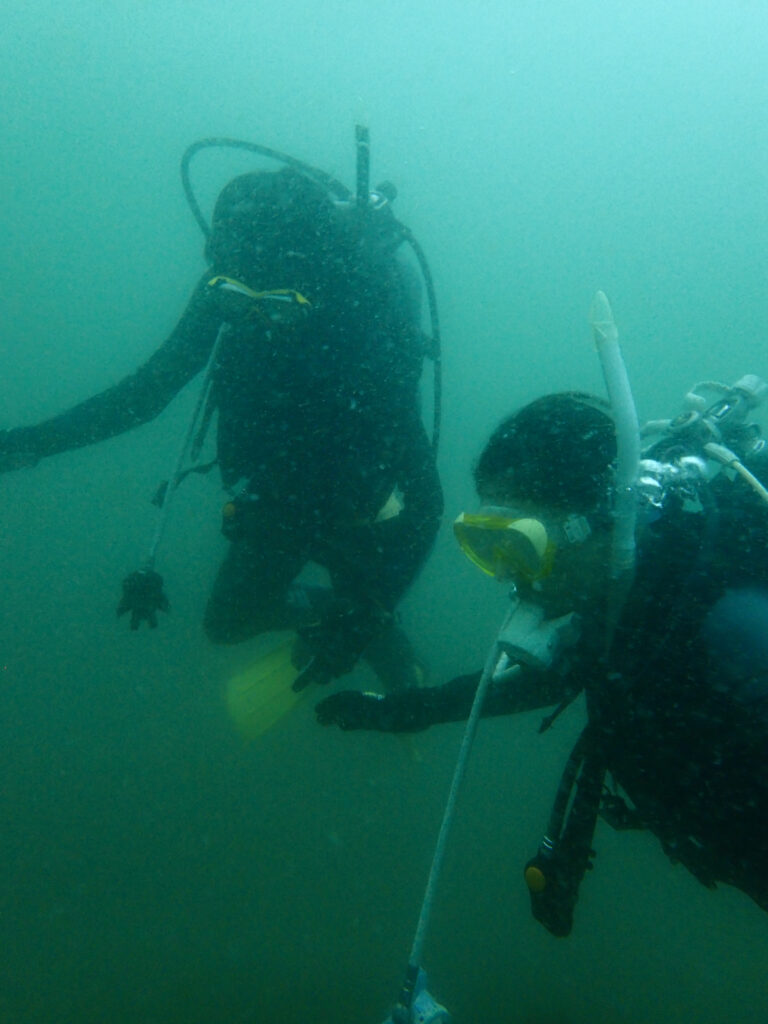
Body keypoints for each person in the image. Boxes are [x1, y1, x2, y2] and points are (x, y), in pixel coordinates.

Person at [317, 378, 768, 936]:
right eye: (487, 542)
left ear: (609, 518)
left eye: (522, 542)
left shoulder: (738, 632)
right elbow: (548, 678)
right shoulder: (614, 595)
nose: (507, 572)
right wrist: (404, 709)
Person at [0, 149, 443, 693]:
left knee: (346, 587)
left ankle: (374, 628)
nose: (256, 316)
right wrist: (24, 445)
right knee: (228, 623)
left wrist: (368, 616)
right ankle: (341, 610)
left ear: (318, 282)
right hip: (269, 489)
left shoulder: (365, 316)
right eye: (237, 301)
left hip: (353, 489)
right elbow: (146, 394)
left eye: (280, 306)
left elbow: (427, 499)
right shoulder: (235, 273)